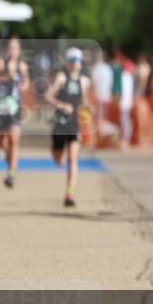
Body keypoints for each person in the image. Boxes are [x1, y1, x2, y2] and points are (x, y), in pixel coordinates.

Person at [45, 48, 92, 207]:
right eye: (72, 60)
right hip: (60, 123)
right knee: (59, 160)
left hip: (74, 123)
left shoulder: (84, 81)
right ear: (67, 63)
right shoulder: (61, 78)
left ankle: (70, 194)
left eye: (77, 61)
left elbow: (84, 101)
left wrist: (87, 109)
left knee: (73, 158)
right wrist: (61, 105)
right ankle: (56, 151)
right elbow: (48, 96)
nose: (75, 64)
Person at [0, 37, 29, 188]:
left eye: (16, 48)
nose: (13, 51)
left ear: (19, 50)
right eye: (11, 48)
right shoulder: (0, 64)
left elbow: (27, 82)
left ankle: (12, 174)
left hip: (15, 107)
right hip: (1, 107)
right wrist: (5, 77)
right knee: (2, 143)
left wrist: (23, 85)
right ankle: (10, 161)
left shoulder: (22, 66)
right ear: (7, 49)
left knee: (14, 140)